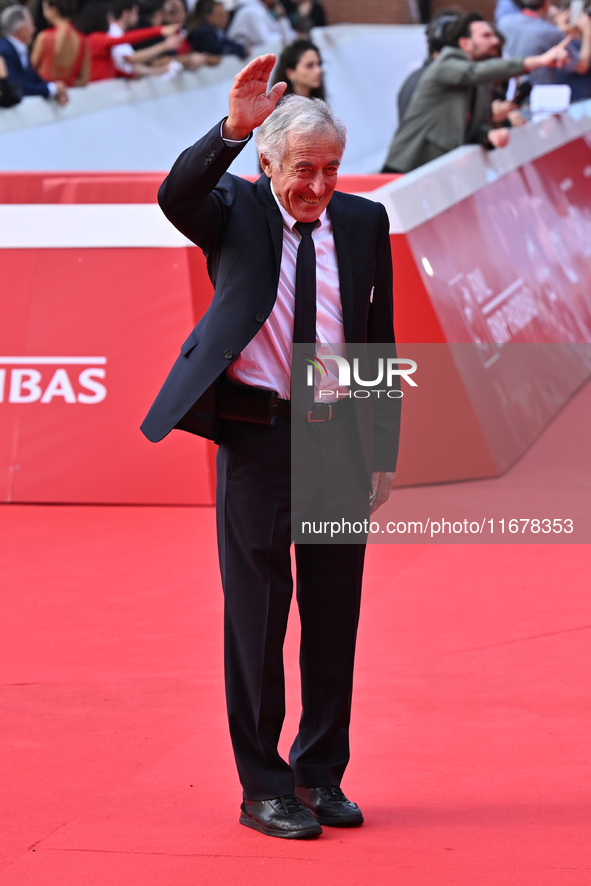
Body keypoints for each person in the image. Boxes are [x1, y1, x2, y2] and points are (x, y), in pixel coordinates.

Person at [141, 53, 399, 839]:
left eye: (330, 170)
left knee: (332, 615)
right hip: (255, 435)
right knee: (256, 617)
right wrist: (230, 128)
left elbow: (372, 336)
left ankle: (320, 775)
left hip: (335, 440)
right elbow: (173, 193)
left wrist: (380, 449)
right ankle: (265, 788)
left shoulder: (362, 221)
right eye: (303, 170)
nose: (319, 186)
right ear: (267, 161)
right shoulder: (233, 208)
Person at [381, 12, 570, 173]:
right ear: (465, 43)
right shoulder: (448, 63)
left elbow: (474, 128)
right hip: (405, 168)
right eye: (486, 36)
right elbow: (476, 72)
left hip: (435, 173)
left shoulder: (480, 81)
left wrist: (489, 135)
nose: (495, 40)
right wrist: (540, 60)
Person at [499, 0, 591, 85]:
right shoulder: (549, 31)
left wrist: (558, 29)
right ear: (547, 2)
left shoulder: (503, 22)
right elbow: (581, 67)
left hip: (514, 89)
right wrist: (588, 32)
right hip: (544, 94)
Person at [0, 4, 68, 103]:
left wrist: (54, 87)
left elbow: (33, 78)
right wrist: (52, 89)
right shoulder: (4, 51)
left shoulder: (19, 49)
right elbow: (16, 86)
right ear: (21, 29)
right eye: (31, 25)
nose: (34, 29)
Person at [30, 0, 90, 87]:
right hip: (68, 95)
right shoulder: (82, 40)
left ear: (54, 10)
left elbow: (31, 70)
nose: (44, 14)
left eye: (45, 9)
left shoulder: (44, 37)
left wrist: (53, 87)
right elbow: (84, 80)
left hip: (45, 95)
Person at [227, 0, 295, 50]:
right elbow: (265, 41)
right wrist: (283, 38)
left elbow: (287, 35)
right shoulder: (251, 11)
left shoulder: (260, 10)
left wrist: (282, 16)